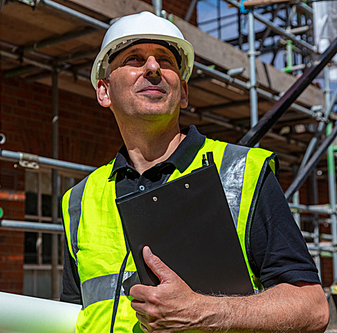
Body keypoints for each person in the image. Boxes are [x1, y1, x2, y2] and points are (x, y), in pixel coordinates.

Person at [60, 11, 329, 333]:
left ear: (183, 92)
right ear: (104, 91)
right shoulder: (79, 200)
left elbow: (312, 308)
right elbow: (73, 311)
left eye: (166, 60)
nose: (153, 68)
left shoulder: (241, 172)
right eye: (134, 58)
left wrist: (207, 312)